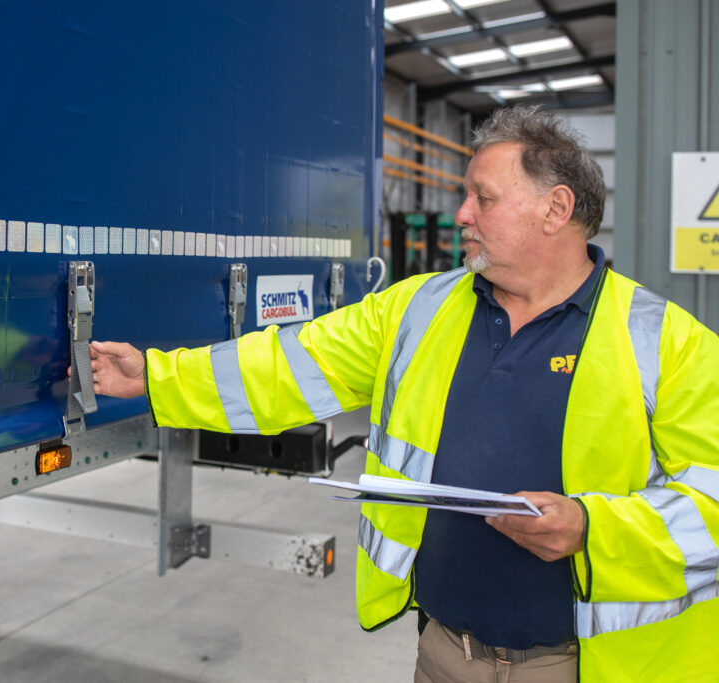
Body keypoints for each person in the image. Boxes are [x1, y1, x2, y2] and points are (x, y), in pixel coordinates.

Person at [81, 106, 719, 682]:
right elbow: (293, 364)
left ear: (554, 209)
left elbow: (711, 506)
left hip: (585, 667)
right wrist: (159, 377)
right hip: (443, 653)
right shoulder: (419, 308)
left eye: (482, 198)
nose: (462, 214)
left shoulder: (669, 344)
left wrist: (590, 527)